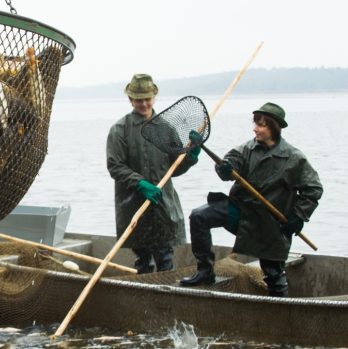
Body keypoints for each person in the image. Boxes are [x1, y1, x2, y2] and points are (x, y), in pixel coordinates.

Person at [179, 102, 323, 297]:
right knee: (199, 216)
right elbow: (230, 162)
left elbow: (313, 189)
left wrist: (299, 216)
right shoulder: (247, 148)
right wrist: (225, 169)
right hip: (241, 212)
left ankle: (281, 311)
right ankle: (205, 271)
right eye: (255, 123)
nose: (255, 128)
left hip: (270, 222)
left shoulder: (294, 158)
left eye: (262, 125)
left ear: (275, 128)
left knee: (272, 272)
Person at [106, 74, 200, 274]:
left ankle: (166, 297)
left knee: (165, 257)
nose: (144, 104)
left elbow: (176, 168)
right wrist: (140, 183)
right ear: (131, 100)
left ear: (154, 97)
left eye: (147, 99)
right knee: (143, 259)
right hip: (133, 204)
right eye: (139, 100)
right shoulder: (119, 130)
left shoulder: (165, 128)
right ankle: (145, 295)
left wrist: (191, 156)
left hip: (163, 203)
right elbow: (115, 166)